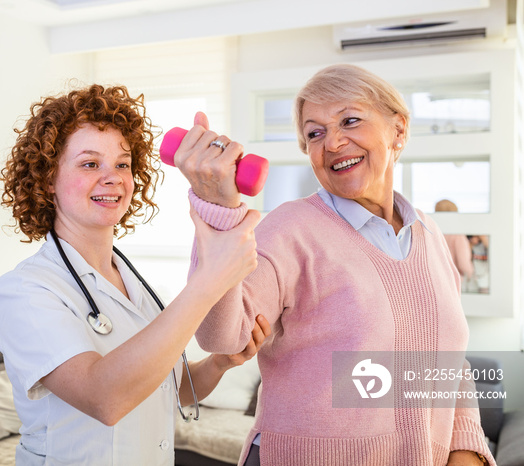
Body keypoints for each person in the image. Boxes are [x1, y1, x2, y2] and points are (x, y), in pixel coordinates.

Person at [174, 65, 494, 465]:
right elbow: (221, 337)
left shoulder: (428, 234)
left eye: (351, 120)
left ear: (398, 130)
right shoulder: (289, 229)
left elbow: (448, 360)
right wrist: (217, 209)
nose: (334, 142)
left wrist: (466, 452)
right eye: (315, 133)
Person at [0, 84, 269, 465]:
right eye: (90, 164)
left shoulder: (135, 284)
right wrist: (208, 283)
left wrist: (221, 364)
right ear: (46, 181)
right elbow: (104, 398)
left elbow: (167, 389)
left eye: (122, 164)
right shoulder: (27, 290)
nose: (113, 177)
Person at [434, 199, 474, 289]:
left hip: (437, 282)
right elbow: (464, 265)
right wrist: (473, 275)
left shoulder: (432, 232)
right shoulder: (457, 235)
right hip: (455, 284)